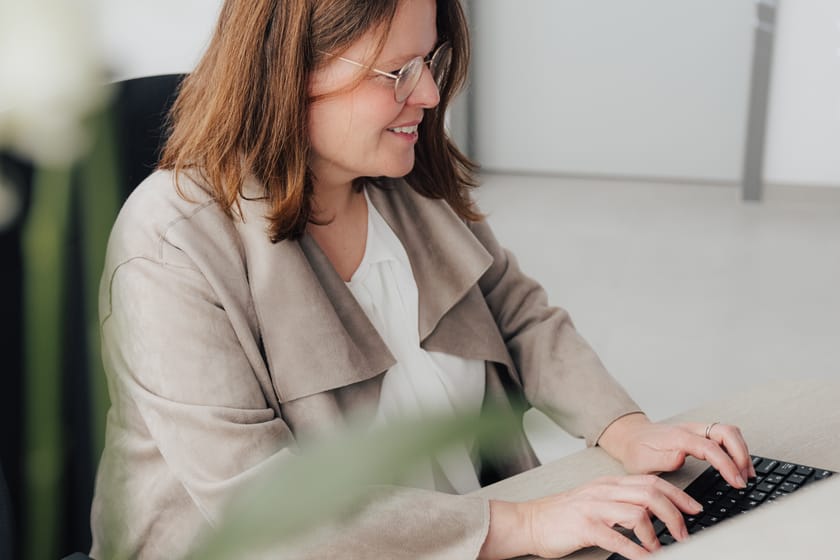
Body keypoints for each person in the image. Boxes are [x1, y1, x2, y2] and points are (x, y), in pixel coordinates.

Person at [89, 0, 755, 558]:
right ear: (289, 69)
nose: (431, 96)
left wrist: (628, 429)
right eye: (398, 71)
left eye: (430, 62)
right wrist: (521, 525)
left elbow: (518, 318)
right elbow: (264, 508)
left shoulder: (403, 179)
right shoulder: (173, 244)